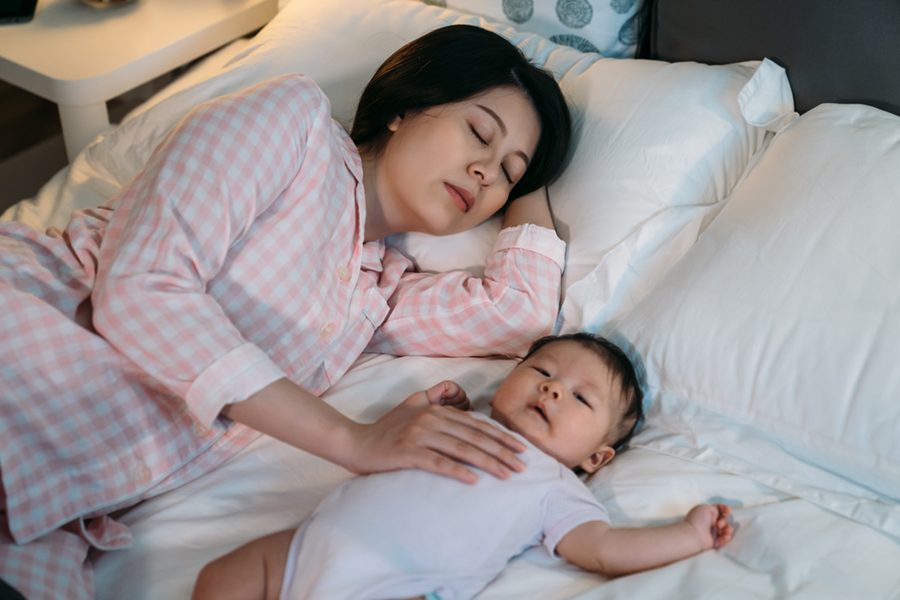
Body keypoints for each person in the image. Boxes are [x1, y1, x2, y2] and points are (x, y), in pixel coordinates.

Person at [0, 25, 573, 600]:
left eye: (507, 173)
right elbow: (141, 290)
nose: (485, 173)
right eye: (478, 132)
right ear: (407, 106)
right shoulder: (294, 123)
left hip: (52, 506)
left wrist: (533, 172)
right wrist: (354, 441)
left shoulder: (377, 295)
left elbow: (519, 310)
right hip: (23, 348)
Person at [192, 333, 735, 600]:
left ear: (595, 458)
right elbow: (376, 454)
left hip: (402, 584)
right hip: (305, 549)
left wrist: (687, 535)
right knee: (218, 578)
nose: (551, 387)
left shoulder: (554, 487)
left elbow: (603, 549)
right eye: (542, 370)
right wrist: (415, 410)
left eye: (579, 397)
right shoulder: (456, 424)